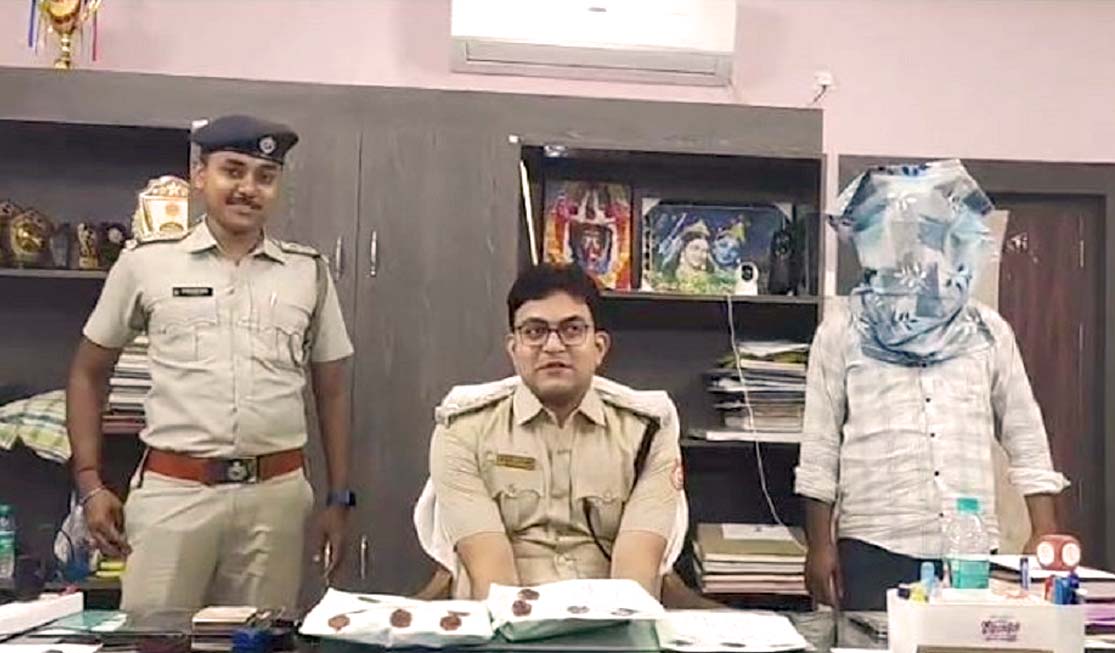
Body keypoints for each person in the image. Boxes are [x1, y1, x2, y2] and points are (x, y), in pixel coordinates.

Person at [66, 115, 355, 612]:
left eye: (265, 176)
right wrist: (90, 482)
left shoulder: (307, 272)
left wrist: (340, 498)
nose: (248, 188)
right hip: (175, 494)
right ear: (200, 176)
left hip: (276, 501)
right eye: (233, 171)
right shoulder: (146, 264)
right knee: (157, 647)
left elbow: (332, 390)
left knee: (258, 650)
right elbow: (87, 373)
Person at [796, 159, 1069, 612]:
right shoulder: (842, 330)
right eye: (901, 236)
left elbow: (1025, 432)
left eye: (930, 234)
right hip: (873, 544)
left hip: (970, 548)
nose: (916, 251)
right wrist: (819, 545)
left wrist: (1044, 529)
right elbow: (819, 446)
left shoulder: (987, 331)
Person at [425, 262, 685, 601]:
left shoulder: (649, 433)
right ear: (513, 349)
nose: (552, 346)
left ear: (599, 347)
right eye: (534, 331)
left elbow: (634, 583)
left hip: (611, 623)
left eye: (572, 330)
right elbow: (491, 580)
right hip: (505, 623)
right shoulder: (462, 430)